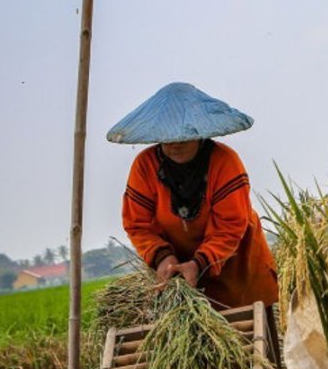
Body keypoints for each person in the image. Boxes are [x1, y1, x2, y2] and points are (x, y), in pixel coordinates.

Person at [108, 82, 279, 310]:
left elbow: (230, 227)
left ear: (199, 132)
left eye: (184, 135)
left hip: (239, 268)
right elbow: (138, 224)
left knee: (253, 336)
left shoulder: (226, 163)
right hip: (181, 276)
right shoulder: (145, 167)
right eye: (169, 136)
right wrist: (163, 259)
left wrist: (199, 263)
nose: (176, 143)